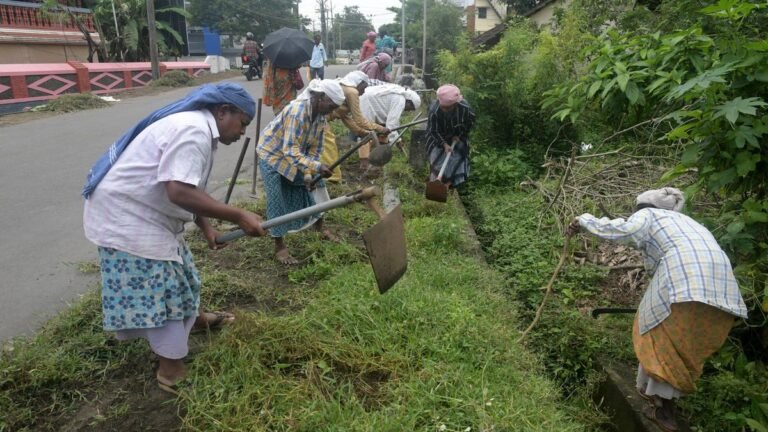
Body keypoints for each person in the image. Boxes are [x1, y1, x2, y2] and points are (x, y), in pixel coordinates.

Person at [82, 83, 267, 394]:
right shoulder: (192, 130)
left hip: (147, 212)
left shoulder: (200, 130)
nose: (241, 132)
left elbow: (189, 187)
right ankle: (170, 371)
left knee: (181, 273)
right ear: (222, 112)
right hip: (127, 216)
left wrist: (207, 228)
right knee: (162, 293)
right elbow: (178, 191)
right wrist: (237, 215)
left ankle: (194, 320)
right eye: (243, 123)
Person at [567, 188, 748, 432]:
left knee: (656, 332)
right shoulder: (689, 223)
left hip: (684, 278)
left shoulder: (650, 215)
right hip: (722, 287)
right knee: (685, 344)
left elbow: (623, 230)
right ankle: (661, 398)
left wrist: (583, 221)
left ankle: (660, 406)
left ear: (644, 206)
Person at [256, 79, 345, 265]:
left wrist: (308, 174)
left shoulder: (320, 116)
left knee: (317, 184)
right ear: (320, 97)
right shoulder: (297, 112)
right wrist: (315, 166)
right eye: (331, 105)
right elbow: (289, 150)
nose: (332, 110)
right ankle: (279, 246)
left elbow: (315, 149)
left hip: (295, 154)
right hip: (272, 154)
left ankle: (320, 227)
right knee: (276, 197)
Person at [328, 71, 390, 172]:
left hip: (322, 121)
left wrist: (363, 133)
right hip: (320, 121)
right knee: (329, 149)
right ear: (359, 83)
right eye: (364, 88)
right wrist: (381, 128)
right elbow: (359, 120)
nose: (364, 92)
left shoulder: (343, 87)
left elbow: (346, 118)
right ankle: (332, 179)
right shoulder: (352, 92)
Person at [425, 84, 474, 188]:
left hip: (458, 134)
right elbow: (433, 130)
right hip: (438, 136)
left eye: (448, 108)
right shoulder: (434, 111)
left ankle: (449, 184)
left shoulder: (465, 108)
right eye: (443, 107)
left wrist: (459, 135)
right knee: (437, 156)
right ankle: (437, 181)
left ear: (455, 104)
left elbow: (469, 123)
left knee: (459, 154)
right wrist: (444, 144)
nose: (444, 110)